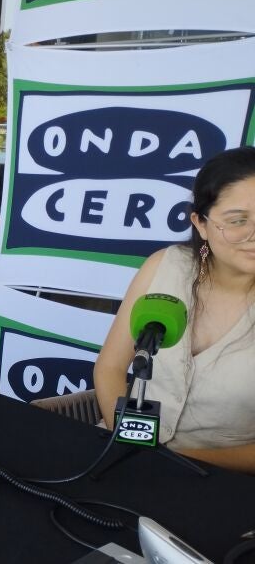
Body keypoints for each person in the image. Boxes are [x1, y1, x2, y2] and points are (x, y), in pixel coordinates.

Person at [94, 146, 255, 473]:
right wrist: (130, 441)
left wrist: (174, 463)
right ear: (201, 223)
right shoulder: (164, 266)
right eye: (238, 220)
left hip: (218, 480)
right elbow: (109, 368)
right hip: (120, 453)